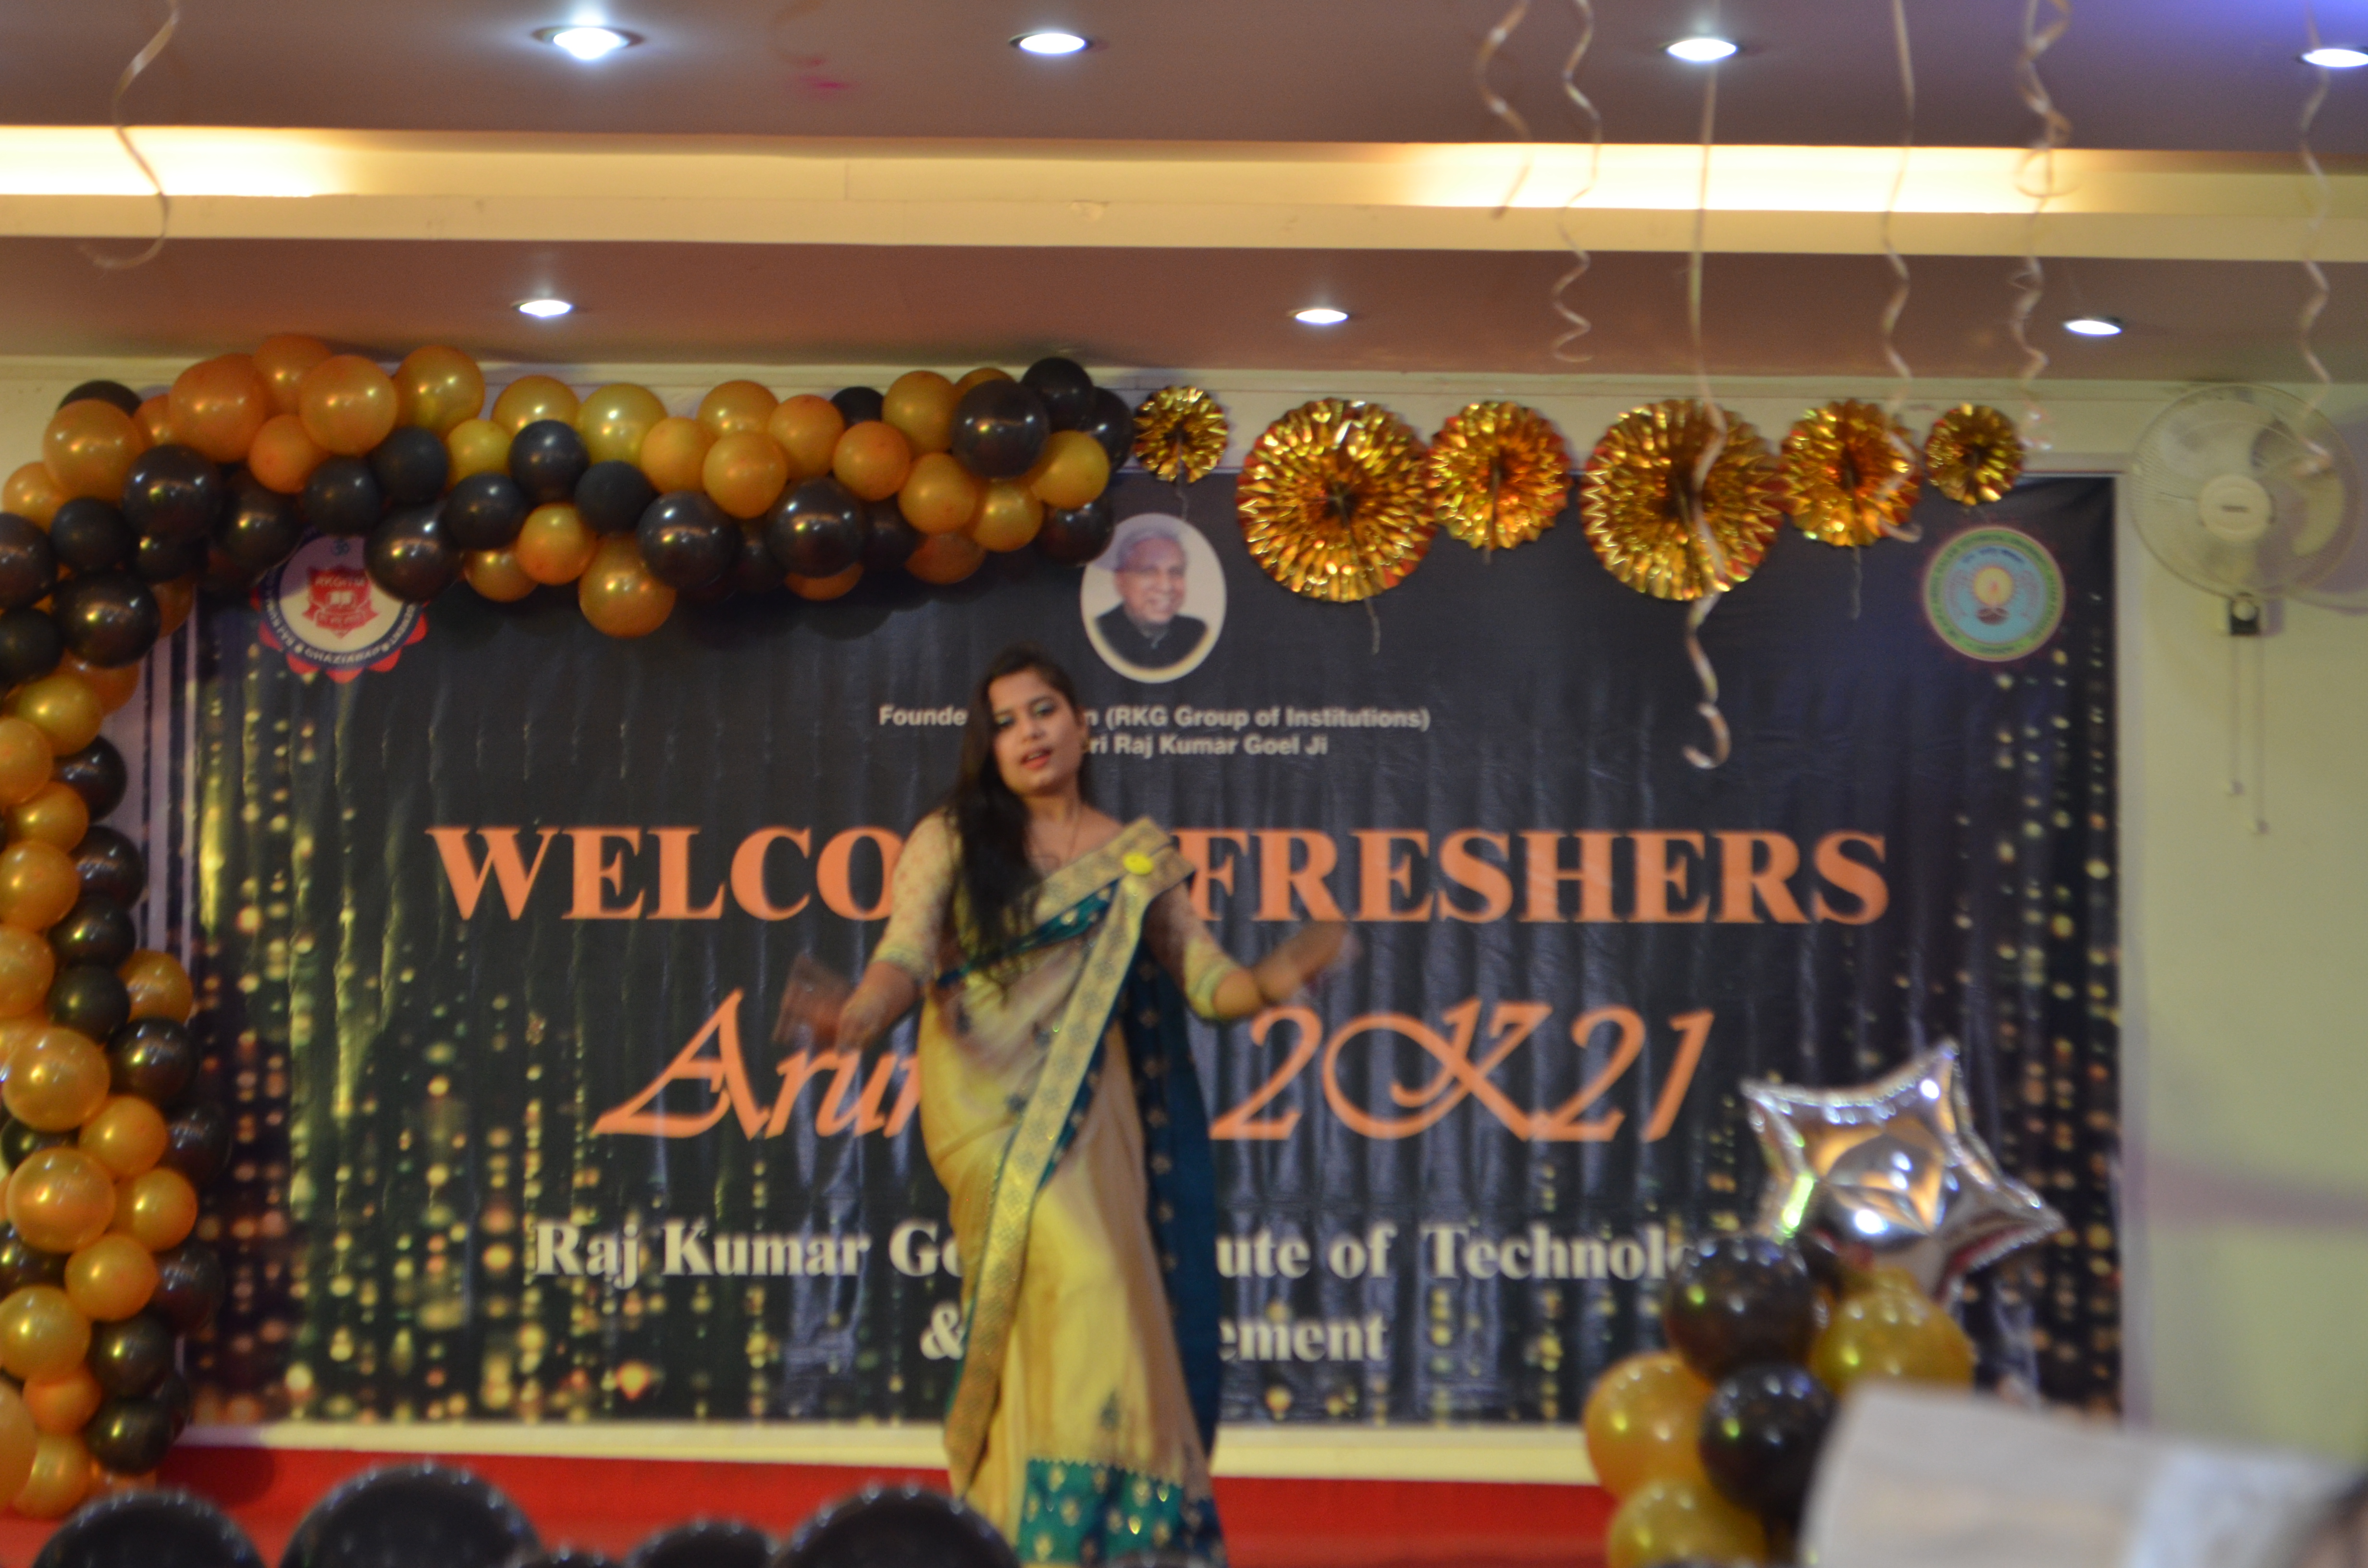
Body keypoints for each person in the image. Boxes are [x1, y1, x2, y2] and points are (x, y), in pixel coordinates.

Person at [794, 643, 1344, 1568]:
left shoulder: (1135, 855)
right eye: (1004, 722)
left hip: (1096, 1114)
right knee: (1084, 1279)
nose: (1028, 733)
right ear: (988, 748)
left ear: (1082, 725)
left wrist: (1272, 979)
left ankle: (1057, 1533)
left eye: (1043, 710)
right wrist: (857, 1014)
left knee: (1092, 1303)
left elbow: (1207, 982)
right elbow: (904, 954)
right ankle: (1071, 1531)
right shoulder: (951, 837)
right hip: (986, 1108)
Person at [1095, 525, 1208, 671]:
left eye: (1175, 572)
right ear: (1121, 581)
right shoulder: (1101, 632)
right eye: (1149, 572)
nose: (1165, 587)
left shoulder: (1197, 633)